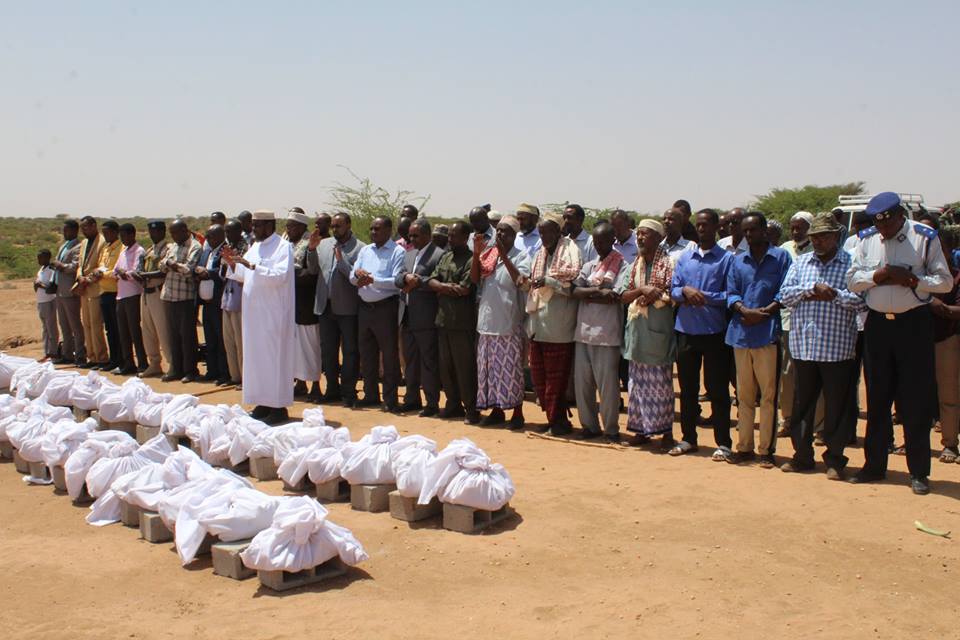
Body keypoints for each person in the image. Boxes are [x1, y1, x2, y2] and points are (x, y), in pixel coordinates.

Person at [847, 192, 952, 494]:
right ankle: (874, 466)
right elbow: (852, 280)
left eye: (888, 225)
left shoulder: (925, 237)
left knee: (914, 401)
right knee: (878, 399)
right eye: (879, 226)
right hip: (878, 325)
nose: (883, 231)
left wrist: (913, 280)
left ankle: (919, 472)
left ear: (898, 217)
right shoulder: (866, 238)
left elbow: (944, 282)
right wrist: (877, 276)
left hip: (914, 325)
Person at [779, 213, 865, 479]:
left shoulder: (851, 264)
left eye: (824, 236)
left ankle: (835, 460)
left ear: (837, 236)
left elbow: (862, 301)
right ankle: (802, 456)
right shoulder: (801, 262)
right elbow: (784, 295)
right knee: (802, 404)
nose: (818, 241)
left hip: (837, 347)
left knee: (836, 406)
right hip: (804, 347)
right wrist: (809, 290)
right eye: (814, 236)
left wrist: (835, 295)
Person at [726, 212, 792, 468]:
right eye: (746, 231)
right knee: (744, 395)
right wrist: (744, 310)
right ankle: (744, 447)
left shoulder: (781, 257)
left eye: (754, 230)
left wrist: (765, 312)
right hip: (741, 333)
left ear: (765, 231)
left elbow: (785, 291)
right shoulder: (737, 260)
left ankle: (766, 450)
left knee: (768, 395)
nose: (749, 235)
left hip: (767, 333)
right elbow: (731, 293)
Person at [671, 209, 735, 460]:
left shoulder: (726, 260)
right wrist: (685, 291)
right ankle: (688, 438)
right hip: (686, 331)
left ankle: (724, 442)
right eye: (698, 225)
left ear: (717, 227)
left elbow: (731, 295)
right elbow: (673, 289)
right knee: (687, 389)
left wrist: (705, 297)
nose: (702, 229)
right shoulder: (686, 258)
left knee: (717, 389)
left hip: (714, 332)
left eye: (706, 225)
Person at [223, 209, 296, 425]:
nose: (253, 229)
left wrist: (252, 265)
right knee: (256, 359)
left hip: (274, 314)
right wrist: (232, 263)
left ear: (269, 225)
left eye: (257, 225)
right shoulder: (255, 246)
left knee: (273, 360)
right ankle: (262, 403)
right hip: (254, 315)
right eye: (253, 225)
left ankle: (278, 407)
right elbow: (243, 276)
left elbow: (280, 276)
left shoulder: (283, 247)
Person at [619, 220, 677, 449]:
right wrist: (642, 290)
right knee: (636, 386)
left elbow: (674, 291)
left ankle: (666, 433)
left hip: (658, 334)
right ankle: (640, 430)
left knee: (661, 386)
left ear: (657, 238)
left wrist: (656, 294)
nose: (640, 238)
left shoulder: (670, 263)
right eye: (639, 234)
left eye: (645, 234)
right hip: (637, 333)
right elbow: (623, 294)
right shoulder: (635, 265)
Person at [472, 216, 531, 430]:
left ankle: (517, 412)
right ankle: (496, 410)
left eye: (505, 231)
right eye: (498, 231)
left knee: (511, 371)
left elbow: (522, 283)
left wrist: (505, 256)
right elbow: (474, 279)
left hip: (508, 322)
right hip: (487, 322)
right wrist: (476, 253)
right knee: (490, 371)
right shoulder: (489, 256)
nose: (500, 235)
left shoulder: (521, 256)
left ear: (515, 235)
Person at [525, 212, 581, 435]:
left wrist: (548, 281)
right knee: (540, 379)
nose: (544, 236)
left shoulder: (571, 252)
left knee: (556, 383)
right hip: (538, 326)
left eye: (548, 231)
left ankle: (559, 422)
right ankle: (552, 419)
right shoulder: (540, 254)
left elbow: (573, 287)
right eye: (540, 232)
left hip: (559, 327)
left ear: (558, 232)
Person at [571, 223, 626, 442]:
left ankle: (611, 429)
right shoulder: (590, 265)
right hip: (583, 331)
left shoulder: (622, 265)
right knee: (582, 384)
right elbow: (574, 291)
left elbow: (615, 295)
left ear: (612, 239)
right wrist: (597, 291)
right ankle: (589, 426)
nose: (598, 245)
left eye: (602, 241)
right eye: (595, 241)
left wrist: (589, 293)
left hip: (607, 333)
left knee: (608, 386)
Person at [308, 212, 365, 406]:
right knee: (328, 351)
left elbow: (355, 277)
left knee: (350, 351)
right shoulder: (324, 244)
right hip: (325, 306)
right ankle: (332, 389)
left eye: (338, 226)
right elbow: (313, 269)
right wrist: (311, 250)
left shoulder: (360, 248)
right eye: (333, 226)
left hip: (348, 307)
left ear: (349, 225)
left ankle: (348, 392)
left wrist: (341, 262)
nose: (334, 230)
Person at [350, 216, 406, 412]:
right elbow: (352, 274)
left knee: (389, 356)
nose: (373, 232)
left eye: (377, 229)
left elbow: (396, 281)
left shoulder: (397, 252)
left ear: (389, 231)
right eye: (372, 229)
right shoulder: (365, 250)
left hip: (385, 308)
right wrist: (358, 278)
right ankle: (371, 394)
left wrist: (372, 279)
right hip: (364, 308)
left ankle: (390, 399)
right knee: (367, 354)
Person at [427, 221, 479, 423]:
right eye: (449, 235)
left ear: (465, 238)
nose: (450, 239)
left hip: (462, 323)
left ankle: (471, 409)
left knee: (464, 368)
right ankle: (453, 404)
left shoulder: (471, 260)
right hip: (443, 320)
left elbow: (466, 288)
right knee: (446, 368)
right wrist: (446, 287)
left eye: (454, 236)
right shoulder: (446, 256)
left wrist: (441, 287)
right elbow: (431, 280)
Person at [396, 219, 444, 416]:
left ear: (427, 235)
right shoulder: (409, 254)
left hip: (426, 317)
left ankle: (431, 403)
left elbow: (439, 280)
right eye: (410, 235)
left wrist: (417, 282)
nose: (412, 239)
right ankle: (411, 399)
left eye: (416, 235)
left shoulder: (439, 255)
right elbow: (398, 277)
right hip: (407, 315)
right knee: (410, 361)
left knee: (428, 362)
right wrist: (406, 279)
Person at [777, 211, 817, 437]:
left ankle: (818, 426)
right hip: (789, 321)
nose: (795, 232)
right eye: (792, 227)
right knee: (788, 372)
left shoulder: (819, 250)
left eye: (800, 227)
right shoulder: (785, 249)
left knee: (814, 373)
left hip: (816, 320)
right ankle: (787, 419)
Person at [930, 225, 960, 463]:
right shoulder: (921, 277)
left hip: (946, 338)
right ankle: (913, 441)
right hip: (917, 340)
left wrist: (937, 307)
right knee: (914, 395)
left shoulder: (956, 276)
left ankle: (950, 443)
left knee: (948, 394)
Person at [285, 210, 322, 400]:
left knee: (310, 346)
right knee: (295, 347)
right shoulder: (288, 244)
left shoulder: (310, 243)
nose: (287, 230)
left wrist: (290, 275)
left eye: (291, 226)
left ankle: (315, 385)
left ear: (301, 227)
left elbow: (313, 271)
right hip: (291, 303)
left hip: (307, 303)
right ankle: (300, 383)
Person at [160, 219, 202, 383]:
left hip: (185, 297)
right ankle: (176, 369)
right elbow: (162, 264)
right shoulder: (173, 246)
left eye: (176, 232)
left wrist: (172, 264)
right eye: (172, 233)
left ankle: (190, 370)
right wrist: (172, 264)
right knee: (173, 336)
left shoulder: (195, 246)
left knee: (187, 336)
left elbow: (189, 269)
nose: (174, 236)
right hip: (169, 295)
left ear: (185, 230)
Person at [134, 220, 171, 378]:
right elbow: (140, 268)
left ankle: (172, 364)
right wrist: (139, 274)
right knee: (147, 330)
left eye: (155, 231)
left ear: (163, 231)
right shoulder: (149, 249)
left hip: (157, 292)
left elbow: (164, 271)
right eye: (151, 232)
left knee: (163, 330)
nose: (153, 234)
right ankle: (154, 363)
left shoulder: (167, 249)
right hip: (145, 292)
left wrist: (145, 275)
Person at [111, 223, 147, 375]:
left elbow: (135, 274)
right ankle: (128, 363)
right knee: (123, 332)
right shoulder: (123, 251)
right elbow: (115, 272)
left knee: (135, 331)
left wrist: (123, 273)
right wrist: (122, 273)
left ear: (132, 235)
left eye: (124, 235)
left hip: (133, 295)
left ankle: (143, 363)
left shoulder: (139, 251)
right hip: (121, 295)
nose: (122, 239)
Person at [196, 224, 228, 384]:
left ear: (221, 236)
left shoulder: (225, 251)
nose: (208, 239)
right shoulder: (207, 252)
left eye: (211, 236)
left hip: (218, 303)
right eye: (207, 236)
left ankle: (223, 373)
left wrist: (208, 273)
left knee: (221, 340)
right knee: (210, 340)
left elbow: (223, 273)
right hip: (206, 304)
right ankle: (212, 370)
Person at [51, 219, 84, 365]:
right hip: (59, 290)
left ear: (74, 230)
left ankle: (80, 355)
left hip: (70, 291)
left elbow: (74, 267)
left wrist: (61, 266)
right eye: (63, 230)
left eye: (66, 230)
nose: (64, 233)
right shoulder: (64, 245)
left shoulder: (78, 246)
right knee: (64, 325)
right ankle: (67, 354)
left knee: (75, 325)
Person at [76, 216, 108, 368]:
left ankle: (101, 357)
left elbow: (101, 265)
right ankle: (92, 357)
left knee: (96, 324)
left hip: (95, 287)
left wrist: (87, 278)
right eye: (82, 228)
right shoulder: (83, 243)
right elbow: (80, 264)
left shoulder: (102, 242)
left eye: (86, 227)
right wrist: (79, 277)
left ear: (94, 226)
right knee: (86, 324)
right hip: (84, 288)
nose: (84, 231)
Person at [92, 220, 123, 371]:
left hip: (116, 292)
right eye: (104, 233)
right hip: (104, 292)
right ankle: (114, 360)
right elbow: (101, 265)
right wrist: (98, 272)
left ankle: (122, 360)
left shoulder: (121, 249)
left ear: (116, 232)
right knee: (109, 329)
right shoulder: (105, 248)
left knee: (118, 329)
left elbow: (117, 271)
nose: (106, 235)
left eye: (108, 232)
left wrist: (102, 273)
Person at [220, 220, 248, 387]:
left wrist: (231, 262)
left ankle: (245, 378)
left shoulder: (246, 247)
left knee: (241, 342)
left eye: (230, 232)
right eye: (226, 232)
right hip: (227, 297)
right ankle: (234, 376)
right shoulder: (227, 247)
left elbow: (241, 269)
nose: (228, 235)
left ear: (239, 231)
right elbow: (222, 271)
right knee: (229, 341)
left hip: (239, 299)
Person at [34, 249, 59, 361]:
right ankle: (46, 351)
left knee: (51, 327)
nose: (39, 260)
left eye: (41, 258)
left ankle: (53, 352)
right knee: (45, 328)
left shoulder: (51, 270)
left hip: (49, 301)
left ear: (47, 258)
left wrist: (40, 285)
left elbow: (52, 288)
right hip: (41, 301)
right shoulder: (41, 269)